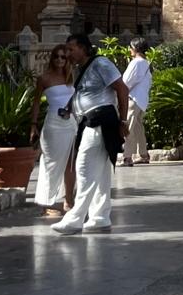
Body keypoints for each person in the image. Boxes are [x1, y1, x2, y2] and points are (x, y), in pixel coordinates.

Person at [52, 34, 129, 235]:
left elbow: (122, 89)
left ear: (84, 48)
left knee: (84, 167)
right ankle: (100, 218)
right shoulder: (82, 69)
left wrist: (123, 120)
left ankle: (74, 219)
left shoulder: (101, 64)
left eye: (71, 49)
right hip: (89, 122)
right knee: (100, 172)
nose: (68, 54)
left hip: (99, 121)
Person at [30, 44, 77, 216]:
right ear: (52, 58)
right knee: (51, 163)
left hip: (70, 123)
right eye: (57, 56)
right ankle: (46, 202)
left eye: (63, 57)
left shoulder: (71, 77)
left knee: (70, 163)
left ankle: (68, 200)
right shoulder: (44, 78)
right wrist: (33, 125)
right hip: (53, 125)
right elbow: (36, 102)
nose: (59, 60)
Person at [121, 39, 153, 166]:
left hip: (133, 99)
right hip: (141, 100)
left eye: (131, 47)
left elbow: (126, 81)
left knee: (128, 127)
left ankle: (127, 157)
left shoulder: (136, 63)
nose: (130, 50)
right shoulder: (146, 63)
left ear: (135, 48)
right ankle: (144, 155)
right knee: (138, 128)